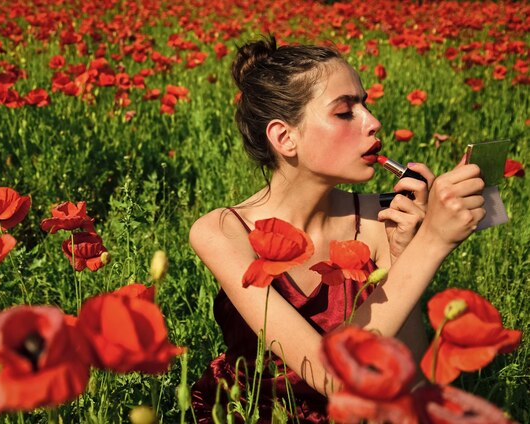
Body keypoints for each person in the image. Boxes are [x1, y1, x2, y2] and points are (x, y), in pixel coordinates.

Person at [188, 35, 485, 423]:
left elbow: (409, 381)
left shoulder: (382, 219)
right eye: (346, 113)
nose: (373, 122)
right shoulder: (224, 231)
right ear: (285, 138)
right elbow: (332, 376)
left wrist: (404, 255)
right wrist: (433, 242)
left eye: (365, 105)